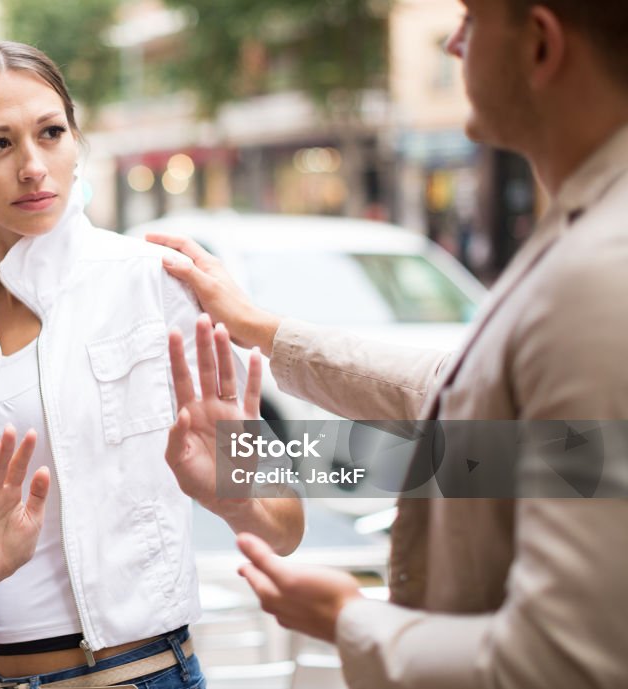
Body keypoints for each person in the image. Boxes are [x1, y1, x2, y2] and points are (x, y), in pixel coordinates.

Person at [150, 1, 628, 687]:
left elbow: (566, 659)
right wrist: (256, 364)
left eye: (469, 19)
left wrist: (352, 617)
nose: (453, 44)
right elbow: (525, 445)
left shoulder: (601, 264)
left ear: (542, 44)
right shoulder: (587, 228)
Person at [0, 42, 304, 689]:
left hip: (138, 674)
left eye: (51, 134)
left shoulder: (150, 282)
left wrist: (235, 487)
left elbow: (286, 523)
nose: (33, 167)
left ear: (76, 140)